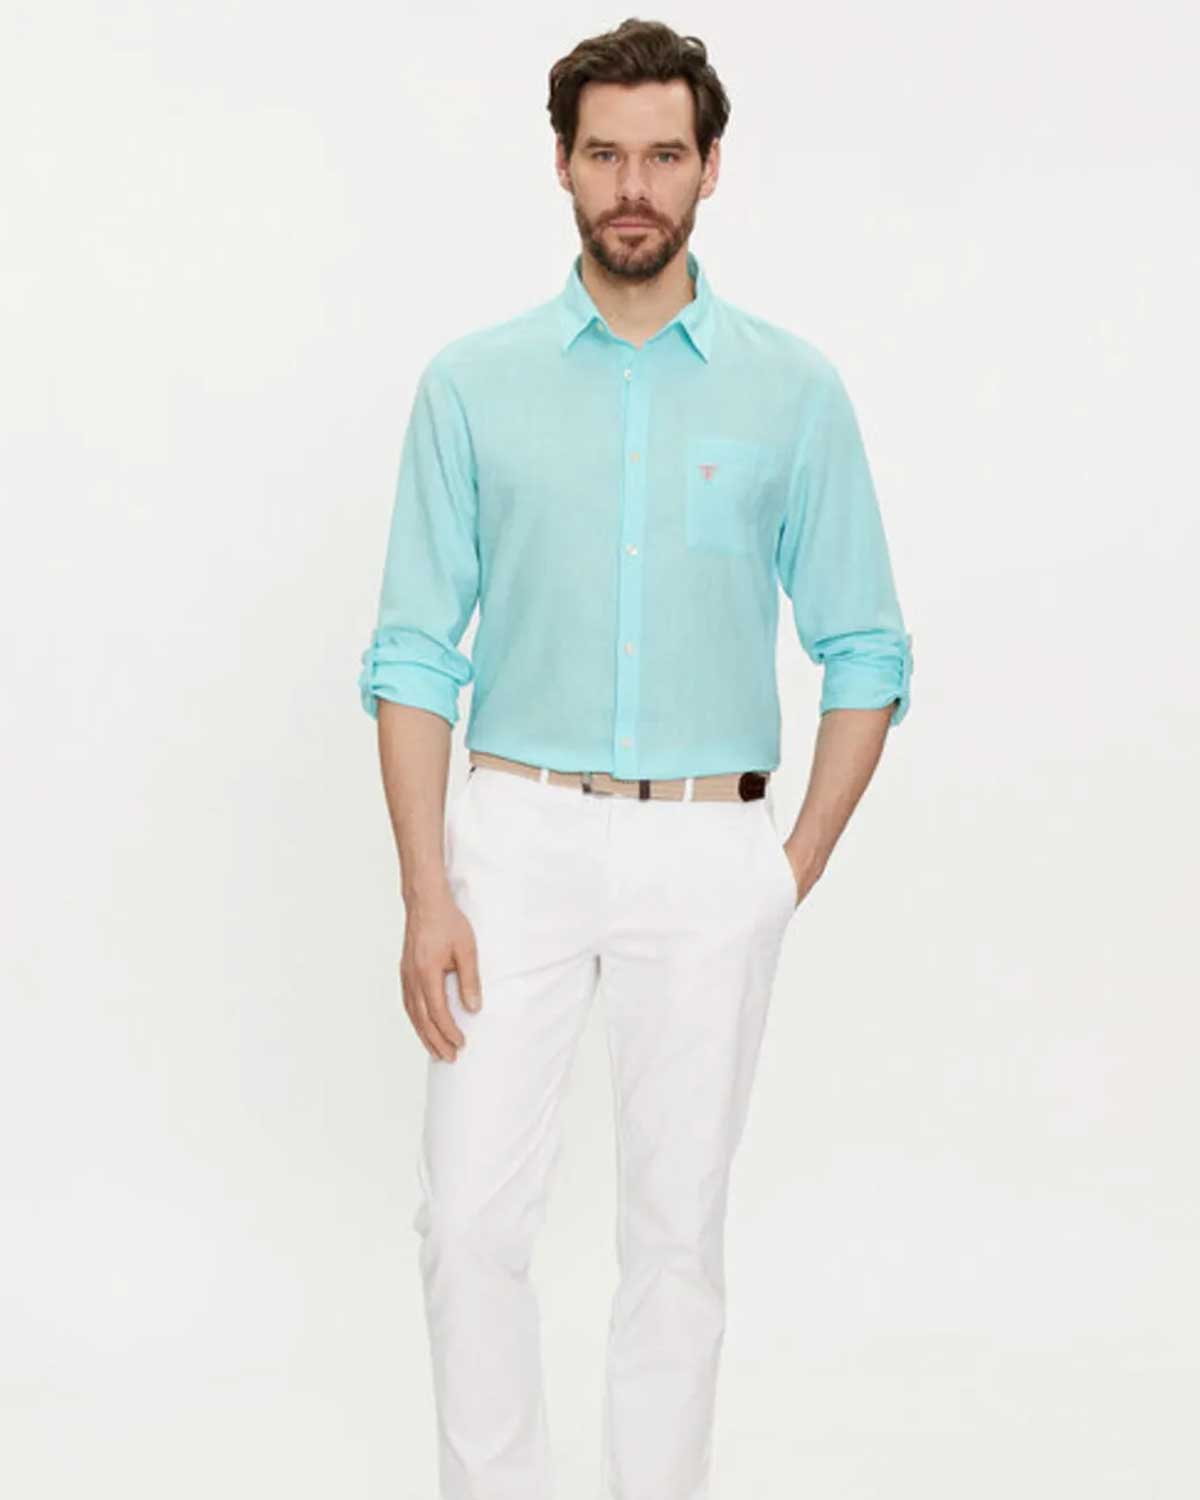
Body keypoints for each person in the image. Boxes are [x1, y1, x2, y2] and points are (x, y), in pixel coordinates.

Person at [357, 18, 913, 1500]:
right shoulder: (471, 386)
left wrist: (781, 874)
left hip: (711, 851)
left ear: (710, 167)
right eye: (604, 153)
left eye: (664, 154)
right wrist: (426, 889)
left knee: (677, 1237)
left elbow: (867, 651)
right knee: (471, 1223)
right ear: (561, 163)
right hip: (514, 839)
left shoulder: (794, 392)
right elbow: (412, 653)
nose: (633, 186)